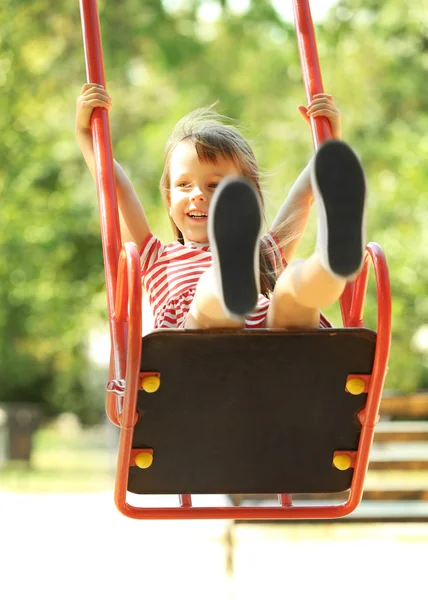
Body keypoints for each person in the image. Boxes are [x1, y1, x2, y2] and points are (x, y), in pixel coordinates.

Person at [76, 84, 366, 331]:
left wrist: (329, 145)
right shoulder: (157, 259)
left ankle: (329, 264)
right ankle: (229, 278)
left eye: (215, 186)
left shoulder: (263, 256)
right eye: (184, 185)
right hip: (194, 355)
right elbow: (118, 190)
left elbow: (303, 196)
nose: (198, 195)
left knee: (294, 286)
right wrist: (86, 134)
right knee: (210, 291)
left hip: (274, 352)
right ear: (168, 198)